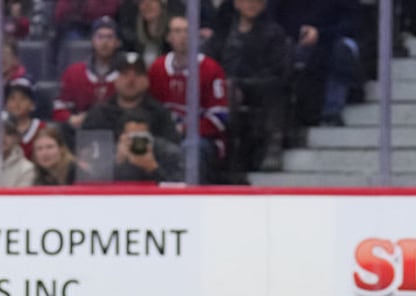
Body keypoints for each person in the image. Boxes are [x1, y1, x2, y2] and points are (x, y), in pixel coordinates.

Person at [203, 0, 290, 172]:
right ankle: (221, 148)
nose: (251, 4)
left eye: (257, 1)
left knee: (273, 89)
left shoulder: (274, 33)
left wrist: (241, 82)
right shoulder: (224, 32)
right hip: (226, 86)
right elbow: (210, 60)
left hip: (259, 86)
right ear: (236, 4)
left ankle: (272, 146)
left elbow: (278, 70)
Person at [148, 14, 228, 181]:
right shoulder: (157, 69)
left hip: (203, 140)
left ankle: (193, 198)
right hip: (165, 137)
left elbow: (220, 117)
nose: (183, 36)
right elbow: (150, 109)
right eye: (177, 31)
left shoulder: (211, 69)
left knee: (190, 149)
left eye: (187, 31)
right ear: (169, 37)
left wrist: (184, 129)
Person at [82, 52, 180, 146]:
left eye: (137, 74)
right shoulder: (99, 114)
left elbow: (173, 151)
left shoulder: (160, 115)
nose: (131, 80)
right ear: (115, 80)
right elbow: (85, 152)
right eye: (125, 74)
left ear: (147, 81)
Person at [53, 16, 121, 127]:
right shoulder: (74, 72)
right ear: (92, 41)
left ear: (117, 42)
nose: (105, 42)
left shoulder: (126, 73)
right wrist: (70, 118)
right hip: (81, 131)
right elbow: (59, 108)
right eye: (100, 37)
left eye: (110, 37)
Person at [114, 108, 184, 182]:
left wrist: (153, 168)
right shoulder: (115, 151)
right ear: (122, 137)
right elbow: (103, 185)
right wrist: (118, 162)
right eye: (133, 137)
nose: (138, 142)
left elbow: (179, 187)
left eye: (142, 137)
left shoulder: (169, 153)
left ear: (151, 136)